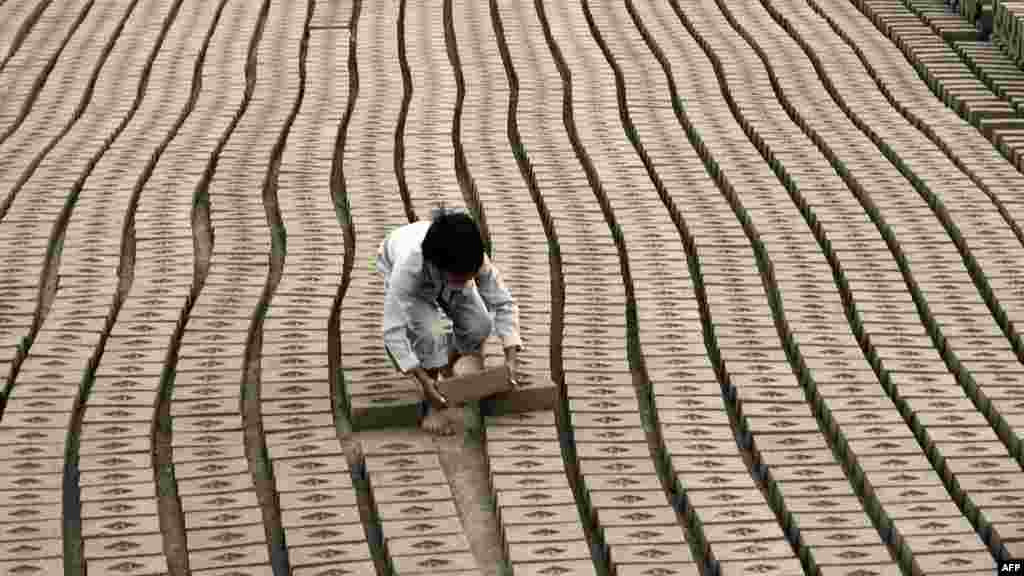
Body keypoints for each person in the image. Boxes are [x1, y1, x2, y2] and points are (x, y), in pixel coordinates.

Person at [376, 206, 523, 435]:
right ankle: (433, 403)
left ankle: (445, 369)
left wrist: (511, 361)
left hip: (444, 266)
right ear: (438, 268)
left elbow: (503, 303)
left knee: (479, 325)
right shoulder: (407, 269)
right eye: (459, 278)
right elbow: (392, 330)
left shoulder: (471, 258)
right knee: (432, 332)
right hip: (405, 271)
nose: (466, 280)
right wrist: (421, 377)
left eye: (469, 277)